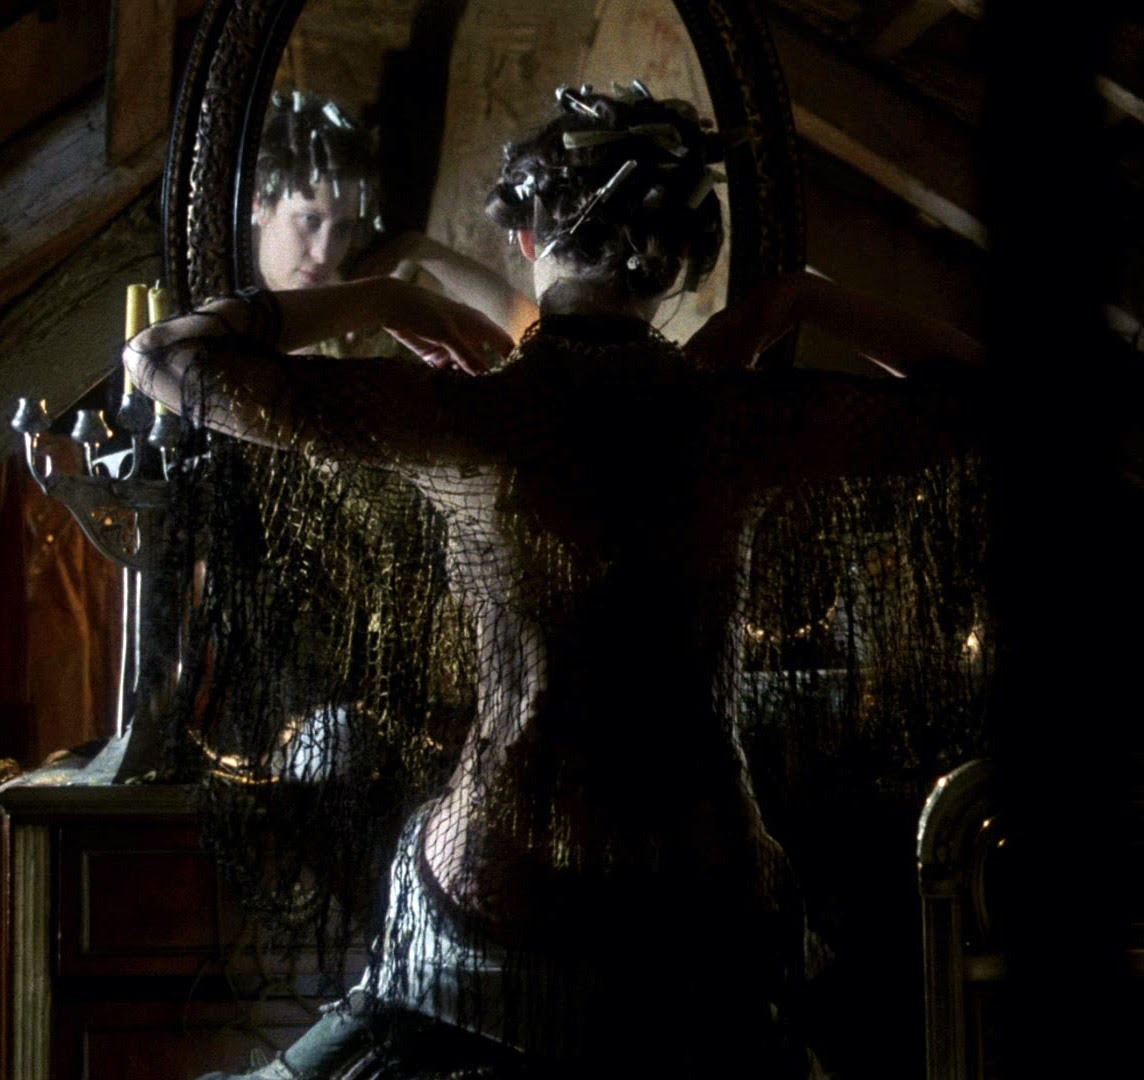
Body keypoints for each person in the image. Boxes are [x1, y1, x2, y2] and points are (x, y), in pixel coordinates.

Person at [126, 84, 983, 1078]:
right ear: (679, 264)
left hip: (501, 881)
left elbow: (163, 359)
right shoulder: (737, 420)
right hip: (704, 893)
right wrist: (800, 297)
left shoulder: (470, 417)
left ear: (528, 238)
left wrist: (384, 299)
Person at [253, 89, 537, 352]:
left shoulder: (369, 311)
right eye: (310, 220)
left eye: (343, 228)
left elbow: (528, 328)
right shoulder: (234, 306)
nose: (323, 254)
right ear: (261, 206)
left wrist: (418, 248)